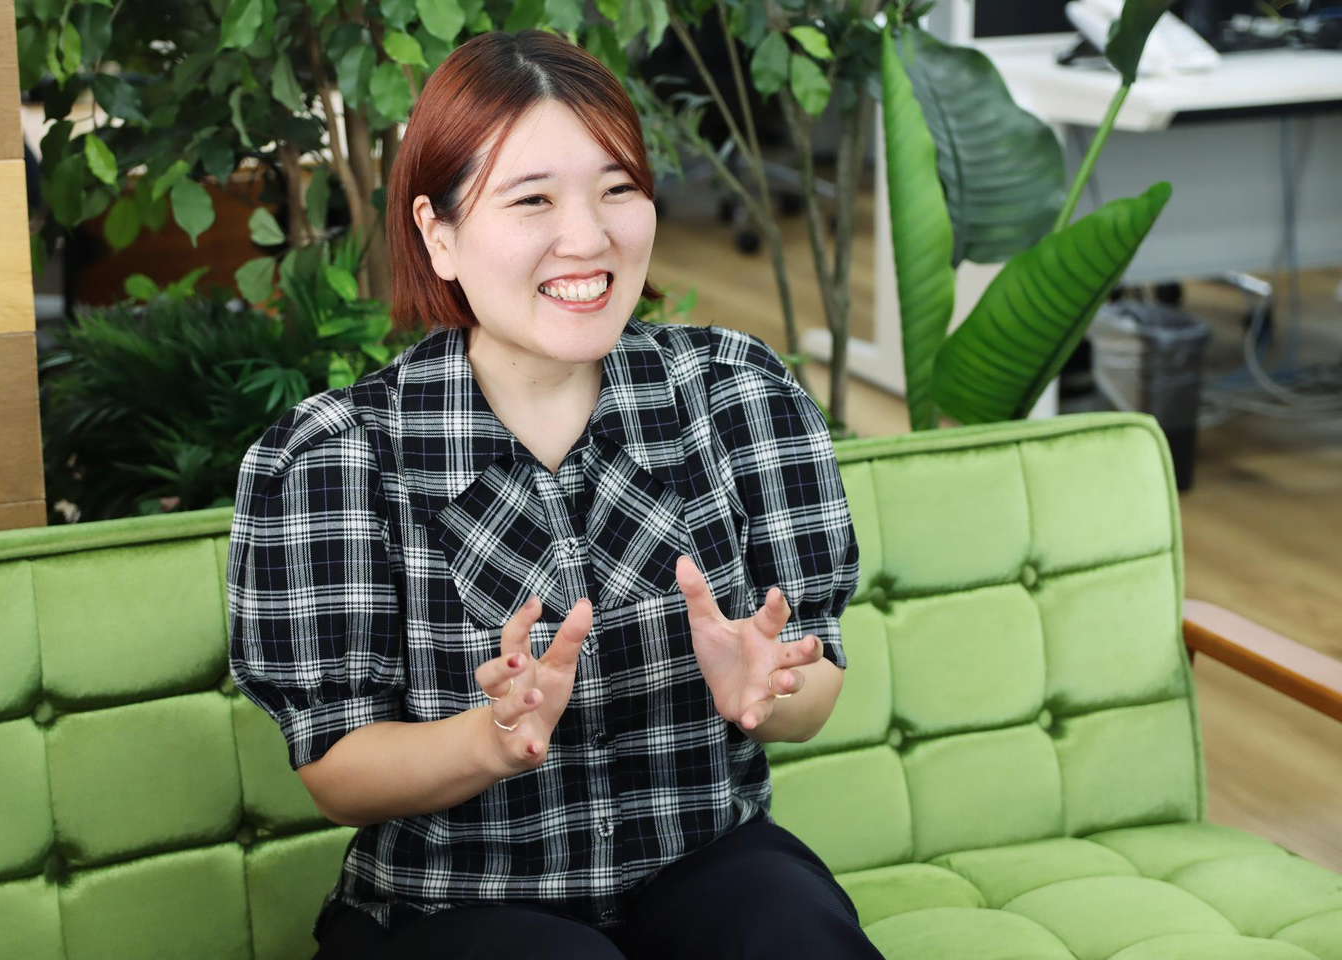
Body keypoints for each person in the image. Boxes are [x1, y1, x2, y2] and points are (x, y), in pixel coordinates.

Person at [226, 28, 885, 960]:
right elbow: (335, 767)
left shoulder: (739, 395)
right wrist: (490, 739)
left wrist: (765, 690)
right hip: (448, 907)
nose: (589, 237)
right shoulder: (335, 457)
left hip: (701, 859)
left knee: (791, 929)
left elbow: (816, 685)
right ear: (439, 234)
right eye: (532, 199)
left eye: (617, 189)